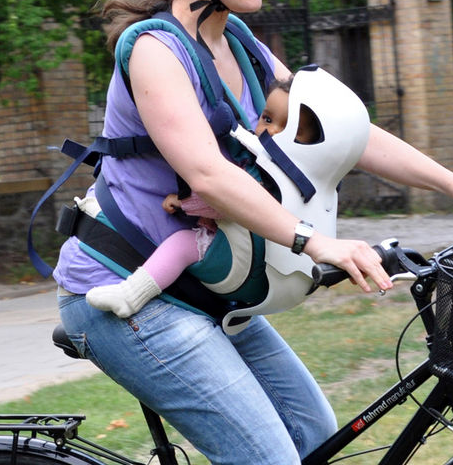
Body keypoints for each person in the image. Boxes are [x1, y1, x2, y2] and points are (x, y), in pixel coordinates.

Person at [53, 0, 453, 465]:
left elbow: (340, 129)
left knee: (314, 443)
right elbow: (209, 175)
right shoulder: (154, 50)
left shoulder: (239, 41)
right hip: (132, 293)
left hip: (210, 292)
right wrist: (317, 242)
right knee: (268, 460)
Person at [84, 75, 318, 319]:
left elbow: (226, 202)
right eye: (267, 119)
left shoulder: (272, 173)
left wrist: (185, 203)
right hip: (256, 267)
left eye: (290, 129)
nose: (271, 131)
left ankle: (129, 295)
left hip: (235, 266)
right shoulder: (299, 174)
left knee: (183, 245)